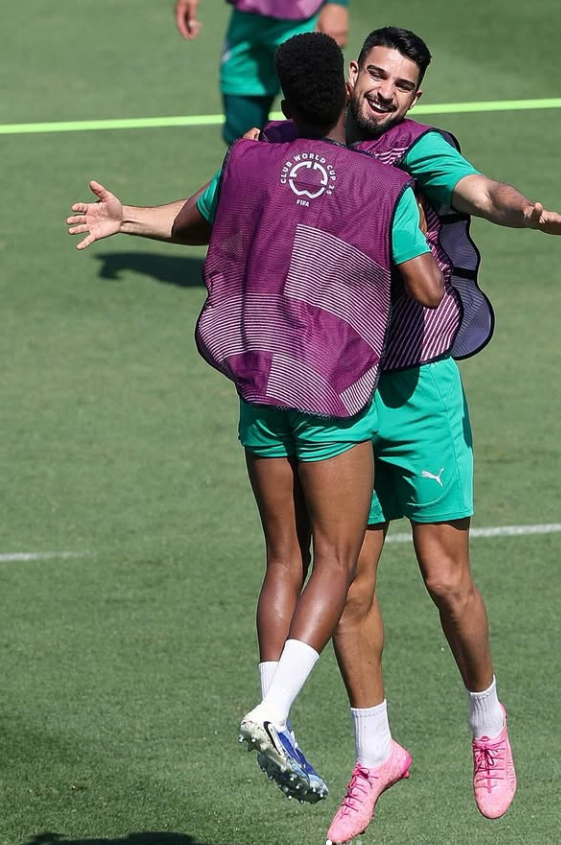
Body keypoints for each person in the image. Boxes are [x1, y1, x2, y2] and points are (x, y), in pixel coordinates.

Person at [66, 31, 444, 804]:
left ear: (280, 97)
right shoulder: (383, 186)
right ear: (342, 89)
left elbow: (198, 218)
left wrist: (125, 217)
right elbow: (429, 292)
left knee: (283, 558)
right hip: (331, 396)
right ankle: (273, 712)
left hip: (260, 384)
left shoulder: (247, 156)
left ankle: (283, 724)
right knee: (337, 562)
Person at [258, 26, 561, 843]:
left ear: (415, 98)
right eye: (374, 74)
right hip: (337, 390)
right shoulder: (298, 140)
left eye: (400, 84)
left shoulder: (418, 150)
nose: (383, 91)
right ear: (350, 74)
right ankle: (373, 754)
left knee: (447, 580)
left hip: (417, 389)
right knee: (349, 584)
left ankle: (486, 723)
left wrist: (526, 212)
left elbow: (479, 191)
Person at [174, 0, 350, 143]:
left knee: (318, 124)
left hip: (305, 16)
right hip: (247, 14)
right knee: (240, 130)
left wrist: (338, 3)